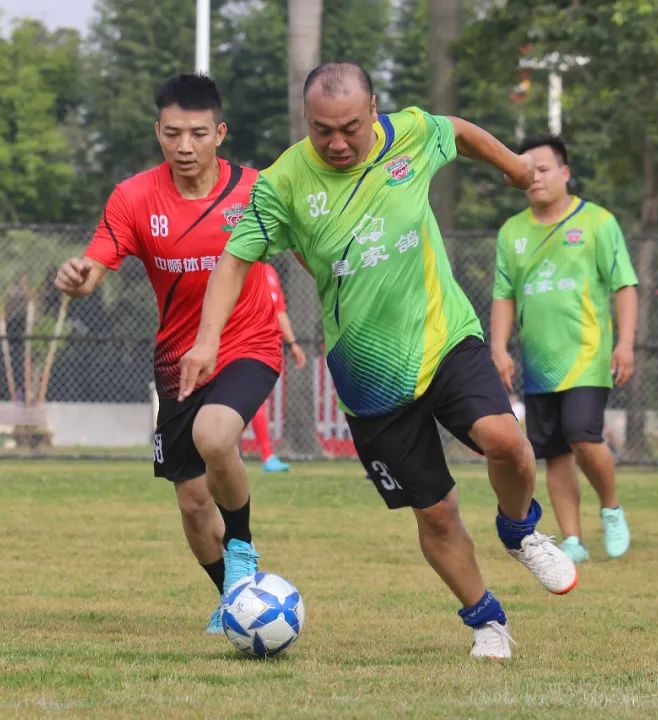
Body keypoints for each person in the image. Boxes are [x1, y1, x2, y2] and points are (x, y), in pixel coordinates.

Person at [179, 62, 577, 660]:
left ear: (373, 112)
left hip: (444, 339)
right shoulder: (283, 182)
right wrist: (207, 340)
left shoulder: (410, 134)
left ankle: (519, 529)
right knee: (436, 513)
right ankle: (486, 620)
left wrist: (516, 168)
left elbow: (460, 130)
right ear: (305, 123)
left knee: (510, 444)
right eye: (321, 131)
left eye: (350, 128)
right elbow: (235, 260)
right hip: (368, 382)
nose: (337, 143)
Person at [54, 73, 282, 633]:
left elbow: (306, 247)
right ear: (157, 131)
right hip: (179, 358)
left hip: (247, 342)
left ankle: (244, 549)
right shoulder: (133, 197)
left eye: (198, 134)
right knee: (191, 502)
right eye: (173, 133)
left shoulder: (257, 190)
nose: (185, 146)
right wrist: (77, 279)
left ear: (220, 133)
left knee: (215, 436)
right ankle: (236, 597)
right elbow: (95, 270)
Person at [490, 135, 638, 565]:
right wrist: (499, 348)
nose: (534, 178)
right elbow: (504, 295)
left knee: (582, 433)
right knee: (553, 450)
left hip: (588, 356)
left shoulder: (598, 222)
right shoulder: (512, 232)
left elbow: (624, 285)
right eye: (525, 170)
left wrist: (625, 343)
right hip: (539, 363)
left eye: (544, 168)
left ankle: (610, 507)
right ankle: (572, 539)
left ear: (565, 173)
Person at [249, 262, 307, 473]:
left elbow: (279, 310)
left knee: (255, 402)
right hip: (244, 345)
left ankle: (265, 456)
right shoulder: (240, 264)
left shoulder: (270, 271)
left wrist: (292, 344)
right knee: (253, 401)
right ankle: (266, 456)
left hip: (268, 346)